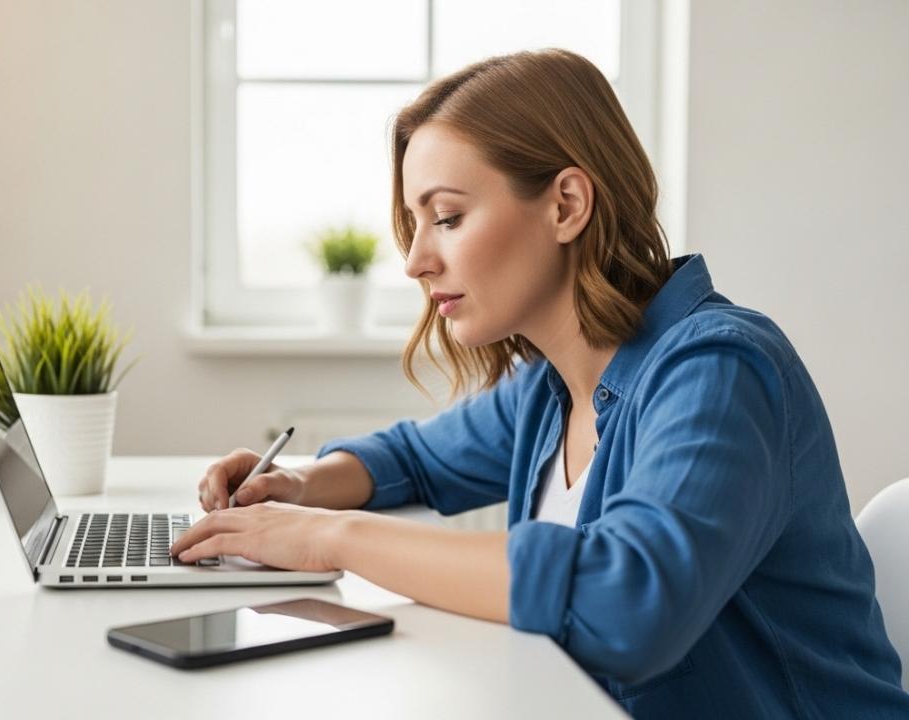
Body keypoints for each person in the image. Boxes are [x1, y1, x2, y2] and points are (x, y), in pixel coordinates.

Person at [169, 49, 909, 718]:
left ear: (566, 204)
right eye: (414, 224)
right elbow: (417, 459)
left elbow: (629, 600)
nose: (417, 260)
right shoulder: (551, 389)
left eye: (448, 217)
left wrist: (330, 539)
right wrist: (301, 489)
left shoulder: (719, 373)